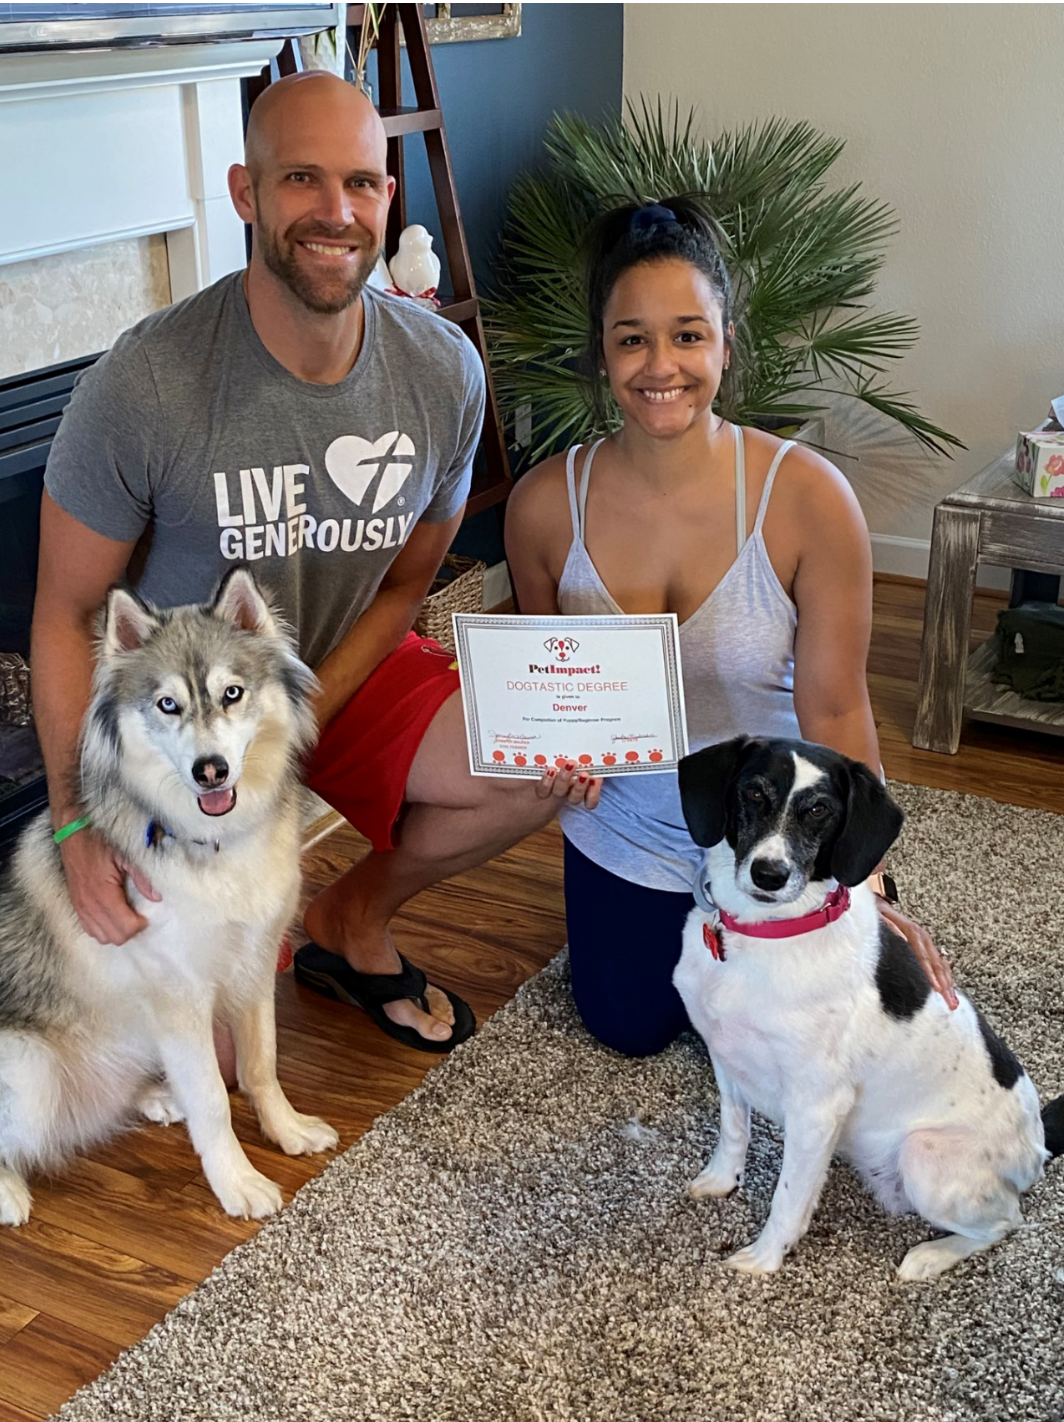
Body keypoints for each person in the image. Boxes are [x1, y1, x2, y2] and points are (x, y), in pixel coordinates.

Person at [32, 72, 595, 1055]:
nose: (336, 211)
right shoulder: (147, 382)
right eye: (301, 178)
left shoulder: (444, 371)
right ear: (245, 193)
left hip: (338, 671)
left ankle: (348, 920)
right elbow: (67, 613)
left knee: (533, 765)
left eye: (360, 183)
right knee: (199, 1057)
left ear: (387, 197)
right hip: (182, 720)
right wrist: (77, 825)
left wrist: (301, 720)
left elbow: (406, 583)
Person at [504, 198, 956, 1058]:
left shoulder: (808, 498)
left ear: (726, 343)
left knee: (826, 1042)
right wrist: (560, 756)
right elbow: (553, 695)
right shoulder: (542, 507)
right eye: (632, 339)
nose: (660, 366)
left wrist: (865, 883)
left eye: (688, 335)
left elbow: (835, 706)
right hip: (627, 831)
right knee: (628, 1027)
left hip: (776, 825)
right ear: (601, 351)